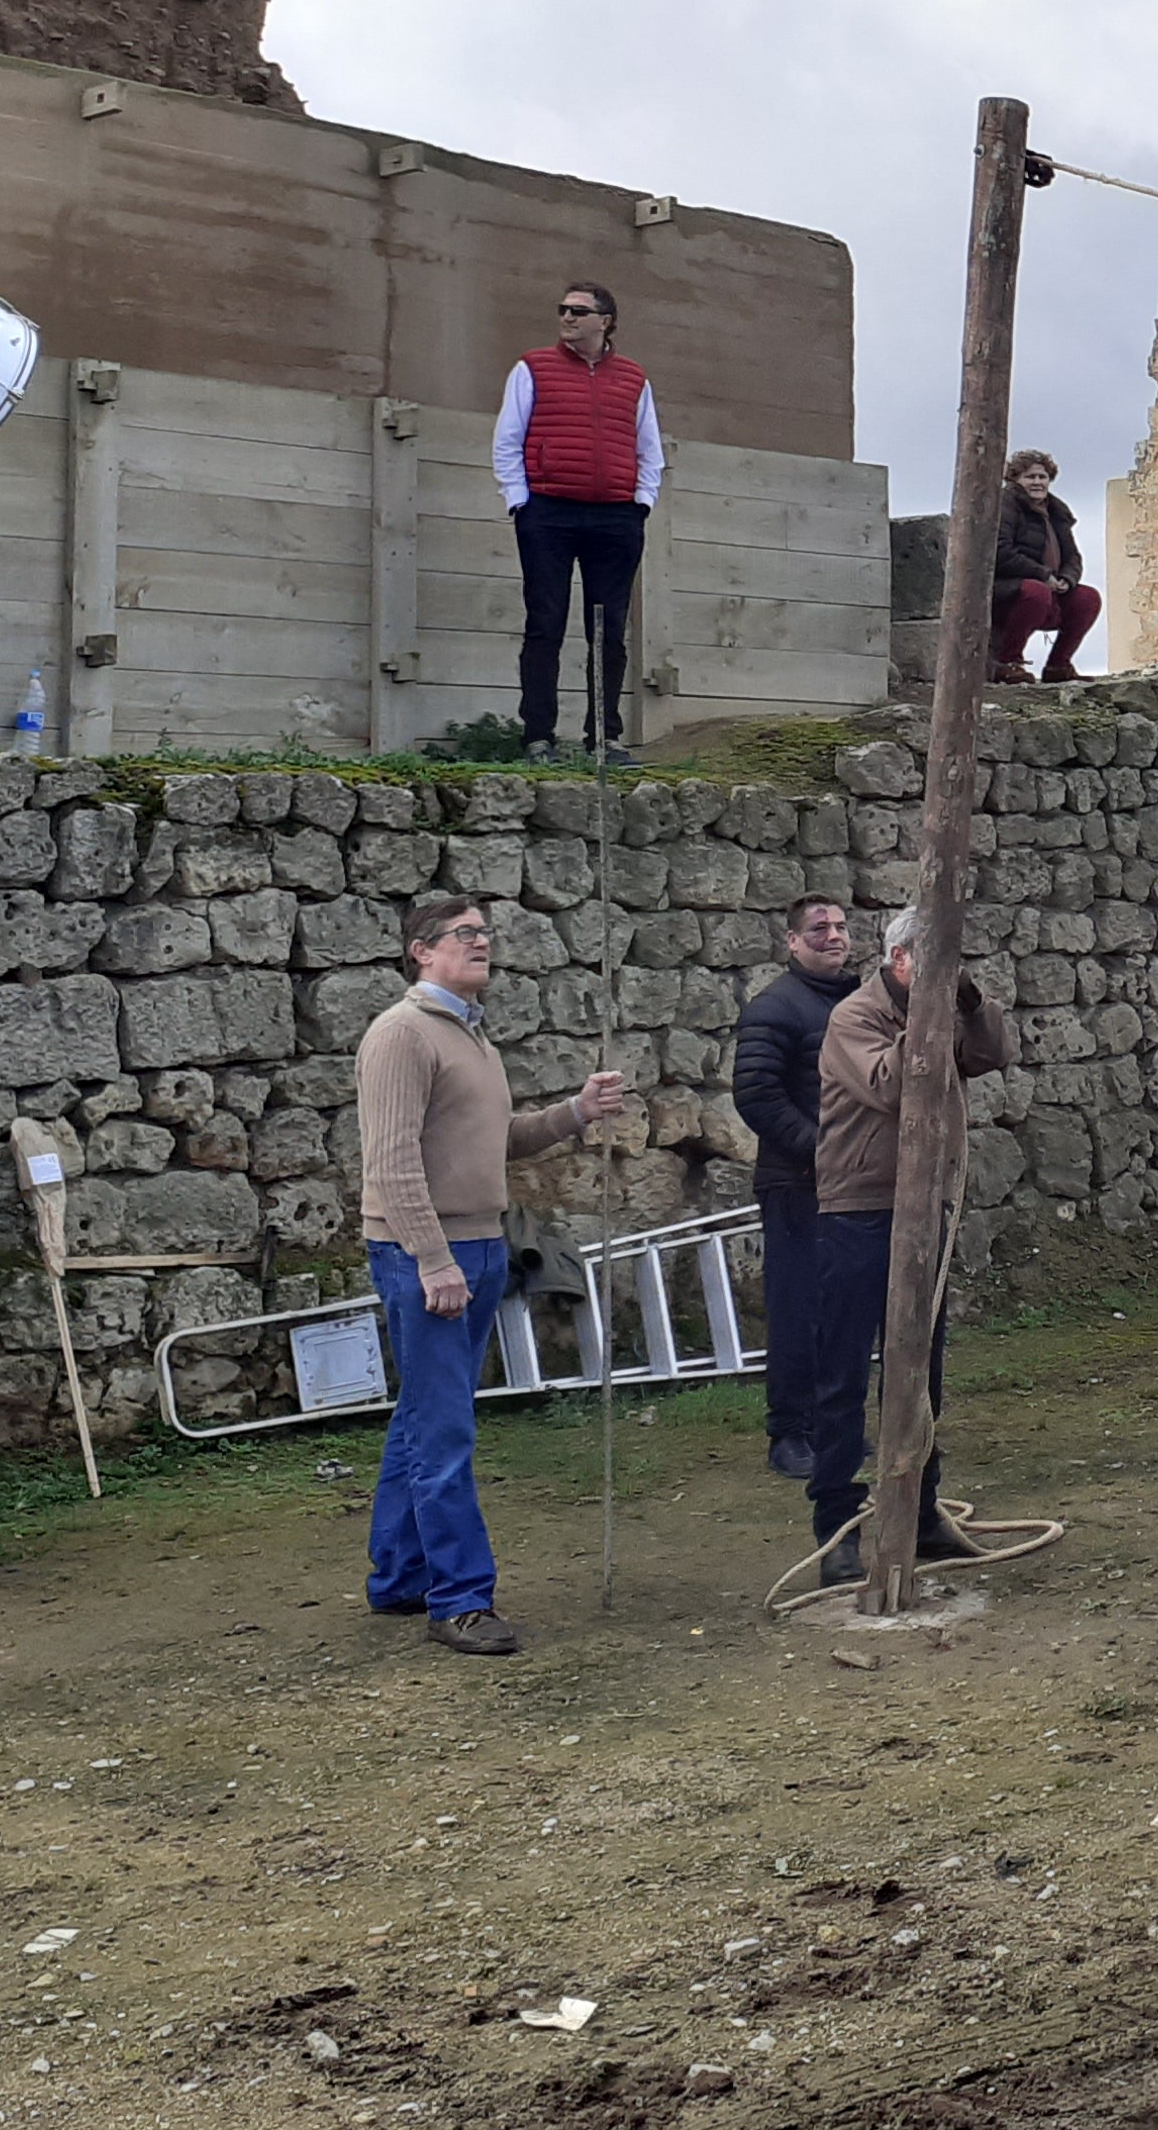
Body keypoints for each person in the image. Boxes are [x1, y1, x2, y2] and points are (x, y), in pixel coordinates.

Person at [355, 892, 629, 1653]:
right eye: (464, 934)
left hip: (478, 1245)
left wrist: (575, 1112)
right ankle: (461, 1600)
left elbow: (493, 1141)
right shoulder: (402, 1035)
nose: (482, 943)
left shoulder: (471, 1037)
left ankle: (399, 1578)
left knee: (422, 1419)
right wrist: (433, 1259)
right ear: (421, 950)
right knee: (444, 1432)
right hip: (429, 1252)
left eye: (485, 932)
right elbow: (392, 1160)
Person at [800, 905, 1010, 1583]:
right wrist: (932, 1014)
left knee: (922, 1366)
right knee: (843, 1373)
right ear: (900, 963)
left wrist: (968, 1002)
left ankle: (918, 1512)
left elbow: (989, 1054)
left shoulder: (939, 1005)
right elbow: (894, 1084)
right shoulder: (853, 1019)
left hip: (926, 1207)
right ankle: (837, 1524)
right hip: (860, 1209)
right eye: (939, 963)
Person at [495, 282, 664, 760]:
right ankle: (538, 737)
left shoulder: (634, 379)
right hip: (547, 512)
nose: (566, 317)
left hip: (616, 516)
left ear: (605, 320)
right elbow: (508, 438)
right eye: (563, 310)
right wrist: (520, 501)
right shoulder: (532, 368)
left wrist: (641, 501)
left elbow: (648, 447)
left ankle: (604, 738)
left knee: (609, 628)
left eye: (578, 311)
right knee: (545, 622)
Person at [730, 894, 860, 1481]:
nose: (833, 936)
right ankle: (790, 1432)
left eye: (839, 926)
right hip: (796, 1185)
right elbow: (756, 1094)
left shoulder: (862, 1004)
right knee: (797, 1310)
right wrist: (822, 1149)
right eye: (818, 928)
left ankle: (835, 1427)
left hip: (853, 1184)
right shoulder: (773, 1008)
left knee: (846, 1311)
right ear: (792, 941)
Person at [990, 450, 1099, 684]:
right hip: (1007, 591)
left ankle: (1058, 665)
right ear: (1015, 480)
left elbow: (1073, 557)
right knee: (1036, 592)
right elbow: (1000, 552)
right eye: (1030, 477)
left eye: (1042, 477)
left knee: (1087, 597)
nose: (1038, 482)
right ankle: (1009, 663)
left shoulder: (1056, 512)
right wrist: (1043, 575)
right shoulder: (1005, 505)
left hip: (1049, 589)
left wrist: (1067, 580)